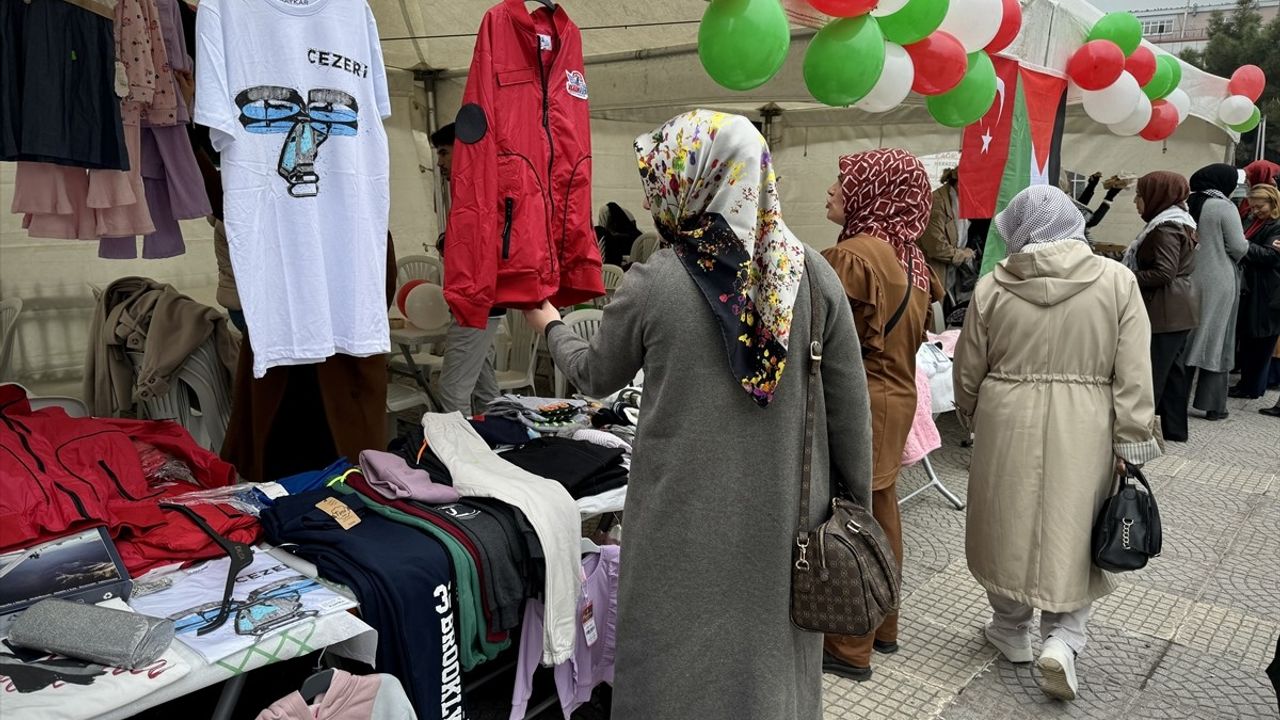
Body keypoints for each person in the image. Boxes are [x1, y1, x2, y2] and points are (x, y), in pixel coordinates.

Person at [522, 110, 874, 720]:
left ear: (696, 180)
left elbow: (595, 376)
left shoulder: (656, 281)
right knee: (771, 670)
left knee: (672, 666)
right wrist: (853, 515)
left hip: (679, 524)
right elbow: (851, 418)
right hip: (788, 526)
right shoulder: (816, 278)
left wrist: (551, 326)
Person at [954, 185, 1161, 702]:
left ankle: (1010, 628)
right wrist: (1131, 438)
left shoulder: (993, 286)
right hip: (1086, 422)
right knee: (1076, 523)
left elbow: (968, 368)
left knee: (1005, 518)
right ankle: (1064, 638)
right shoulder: (1117, 281)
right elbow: (1134, 371)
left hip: (1007, 418)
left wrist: (972, 414)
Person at [819, 148, 945, 682]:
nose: (830, 191)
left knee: (850, 517)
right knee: (880, 508)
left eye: (842, 182)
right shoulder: (909, 256)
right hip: (895, 397)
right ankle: (882, 623)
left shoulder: (855, 257)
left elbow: (822, 340)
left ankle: (850, 643)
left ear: (874, 192)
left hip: (859, 400)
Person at [431, 122, 506, 414]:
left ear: (462, 150)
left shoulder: (477, 188)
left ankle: (459, 456)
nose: (439, 163)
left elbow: (483, 239)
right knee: (483, 388)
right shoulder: (475, 185)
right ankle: (501, 441)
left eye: (443, 153)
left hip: (476, 301)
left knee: (452, 392)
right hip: (483, 300)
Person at [1124, 171, 1198, 442]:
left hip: (1165, 310)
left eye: (1140, 195)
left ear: (1157, 196)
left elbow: (1163, 273)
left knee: (1152, 372)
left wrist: (1123, 275)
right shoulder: (1179, 219)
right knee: (1174, 373)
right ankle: (1175, 430)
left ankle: (1140, 433)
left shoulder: (1166, 227)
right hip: (1180, 308)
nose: (1136, 202)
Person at [1182, 164, 1249, 420]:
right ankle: (1212, 405)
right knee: (1217, 340)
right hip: (1218, 279)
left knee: (1185, 336)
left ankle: (1176, 398)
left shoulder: (1187, 203)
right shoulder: (1223, 206)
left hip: (1188, 276)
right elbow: (1239, 246)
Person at [1231, 184, 1280, 399]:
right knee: (1250, 338)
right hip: (1254, 288)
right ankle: (1247, 384)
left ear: (1273, 203)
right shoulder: (1255, 222)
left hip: (1268, 291)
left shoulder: (1277, 225)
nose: (1255, 211)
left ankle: (1252, 387)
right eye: (1252, 207)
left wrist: (1242, 245)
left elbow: (1271, 256)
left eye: (1260, 206)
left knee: (1261, 340)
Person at [918, 167, 975, 302]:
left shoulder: (959, 201)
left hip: (947, 277)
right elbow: (936, 247)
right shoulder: (937, 203)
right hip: (932, 276)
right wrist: (962, 255)